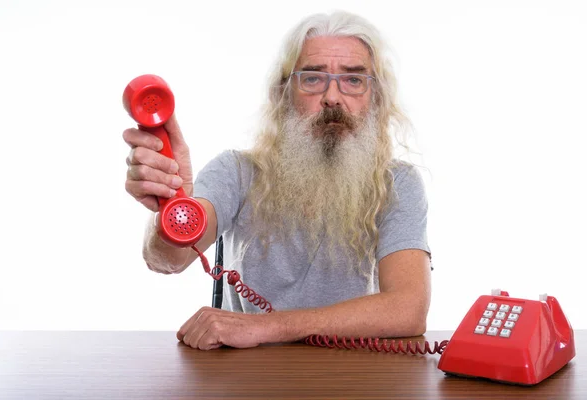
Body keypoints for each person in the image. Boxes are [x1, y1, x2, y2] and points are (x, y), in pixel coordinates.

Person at [123, 11, 432, 350]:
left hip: (354, 375)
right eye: (313, 79)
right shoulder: (236, 171)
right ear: (284, 92)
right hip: (250, 378)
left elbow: (408, 309)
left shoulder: (398, 183)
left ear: (375, 98)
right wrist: (172, 201)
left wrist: (267, 327)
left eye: (354, 80)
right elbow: (167, 259)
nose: (332, 97)